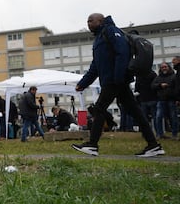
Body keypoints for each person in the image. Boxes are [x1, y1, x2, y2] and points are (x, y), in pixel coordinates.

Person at [72, 13, 164, 157]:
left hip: (114, 80)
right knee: (136, 112)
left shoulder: (111, 30)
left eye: (91, 21)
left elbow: (123, 52)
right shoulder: (99, 38)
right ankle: (153, 145)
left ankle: (92, 144)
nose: (88, 24)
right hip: (114, 81)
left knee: (99, 109)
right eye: (87, 21)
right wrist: (83, 84)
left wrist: (118, 76)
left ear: (100, 21)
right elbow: (95, 66)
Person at [151, 62, 177, 140]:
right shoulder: (158, 78)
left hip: (171, 100)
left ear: (168, 67)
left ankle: (174, 134)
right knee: (158, 117)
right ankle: (159, 134)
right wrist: (160, 85)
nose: (164, 68)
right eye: (162, 67)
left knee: (173, 117)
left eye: (165, 67)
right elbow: (152, 86)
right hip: (161, 100)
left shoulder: (174, 76)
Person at [135, 69, 158, 134]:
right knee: (154, 117)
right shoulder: (153, 74)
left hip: (144, 99)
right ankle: (157, 132)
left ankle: (146, 132)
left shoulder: (139, 75)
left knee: (144, 118)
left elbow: (137, 87)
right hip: (152, 98)